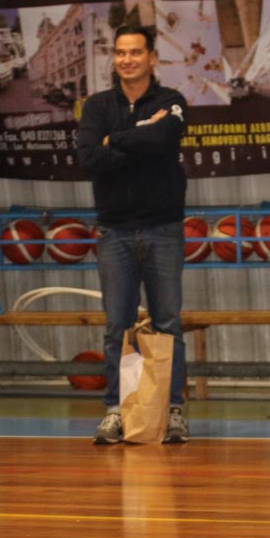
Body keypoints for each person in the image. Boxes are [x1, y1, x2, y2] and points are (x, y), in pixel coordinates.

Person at [76, 23, 190, 445]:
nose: (128, 60)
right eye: (121, 52)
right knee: (116, 327)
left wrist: (116, 141)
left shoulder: (171, 102)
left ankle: (173, 411)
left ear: (152, 58)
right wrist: (141, 137)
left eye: (136, 52)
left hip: (164, 229)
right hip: (114, 232)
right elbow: (89, 157)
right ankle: (116, 411)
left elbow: (165, 140)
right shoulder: (97, 106)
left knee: (168, 324)